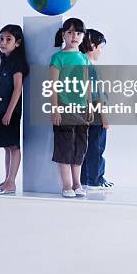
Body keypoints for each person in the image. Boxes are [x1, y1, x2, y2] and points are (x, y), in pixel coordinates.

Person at [49, 17, 93, 198]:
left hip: (82, 108)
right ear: (63, 35)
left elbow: (88, 84)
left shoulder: (84, 58)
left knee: (80, 146)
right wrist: (55, 108)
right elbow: (53, 85)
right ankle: (67, 185)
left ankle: (78, 183)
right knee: (64, 145)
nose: (74, 36)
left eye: (78, 33)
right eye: (70, 32)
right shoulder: (58, 57)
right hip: (64, 107)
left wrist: (90, 105)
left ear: (83, 37)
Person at [0, 24, 29, 195]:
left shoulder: (17, 64)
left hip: (11, 112)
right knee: (6, 146)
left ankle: (11, 183)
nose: (3, 42)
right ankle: (6, 180)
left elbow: (17, 89)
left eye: (8, 39)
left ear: (17, 43)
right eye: (1, 39)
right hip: (0, 111)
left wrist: (9, 112)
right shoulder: (2, 62)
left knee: (13, 146)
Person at [80, 29, 114, 190]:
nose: (101, 51)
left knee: (86, 147)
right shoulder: (90, 68)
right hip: (96, 114)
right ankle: (96, 179)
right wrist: (104, 118)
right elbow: (97, 95)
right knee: (97, 147)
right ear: (92, 45)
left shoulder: (80, 65)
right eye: (101, 47)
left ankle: (85, 178)